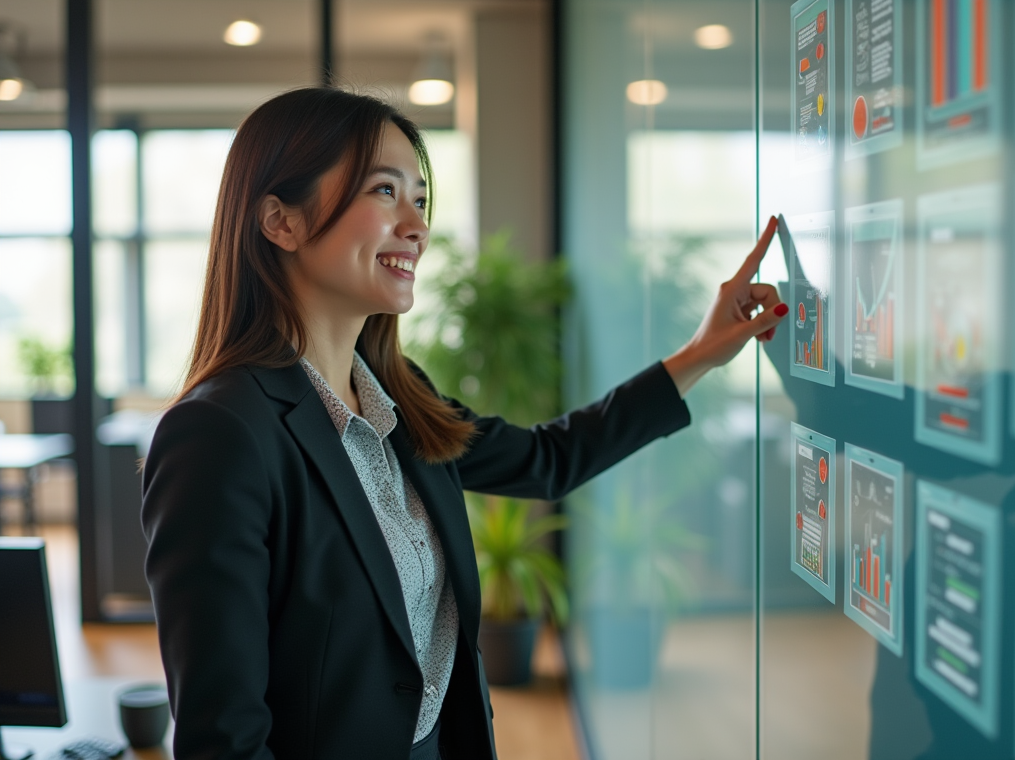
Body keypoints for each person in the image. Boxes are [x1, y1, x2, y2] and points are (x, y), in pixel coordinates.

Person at [141, 86, 787, 760]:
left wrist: (700, 355)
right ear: (282, 221)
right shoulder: (219, 434)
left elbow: (548, 460)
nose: (417, 225)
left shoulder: (397, 393)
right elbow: (225, 742)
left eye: (419, 199)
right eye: (384, 192)